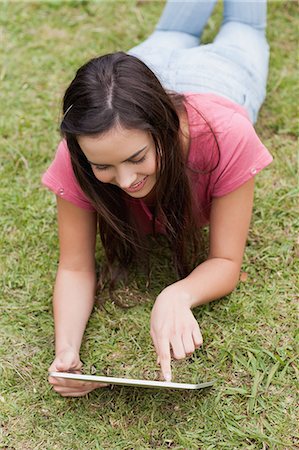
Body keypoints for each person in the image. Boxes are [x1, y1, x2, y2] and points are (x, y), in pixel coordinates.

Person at [43, 0, 273, 397]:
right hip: (144, 70)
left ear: (163, 130)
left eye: (137, 158)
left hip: (224, 74)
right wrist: (67, 351)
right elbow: (76, 267)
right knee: (174, 33)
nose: (127, 180)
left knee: (244, 24)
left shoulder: (226, 135)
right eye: (106, 167)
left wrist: (177, 293)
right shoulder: (85, 151)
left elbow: (226, 261)